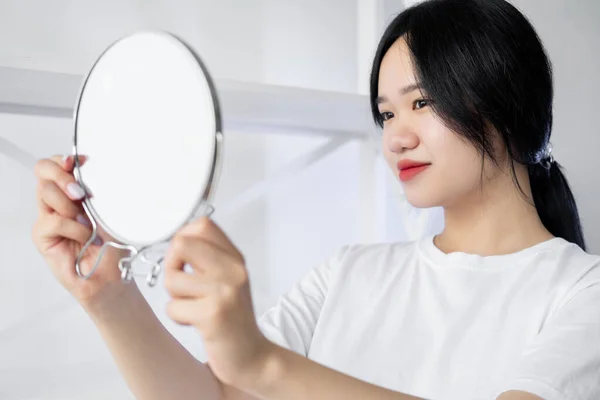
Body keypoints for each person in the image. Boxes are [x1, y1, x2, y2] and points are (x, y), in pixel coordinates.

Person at [32, 0, 600, 399]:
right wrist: (108, 296)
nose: (396, 135)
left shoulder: (581, 294)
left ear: (504, 97)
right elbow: (214, 397)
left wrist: (265, 364)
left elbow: (255, 373)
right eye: (385, 113)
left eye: (422, 103)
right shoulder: (348, 273)